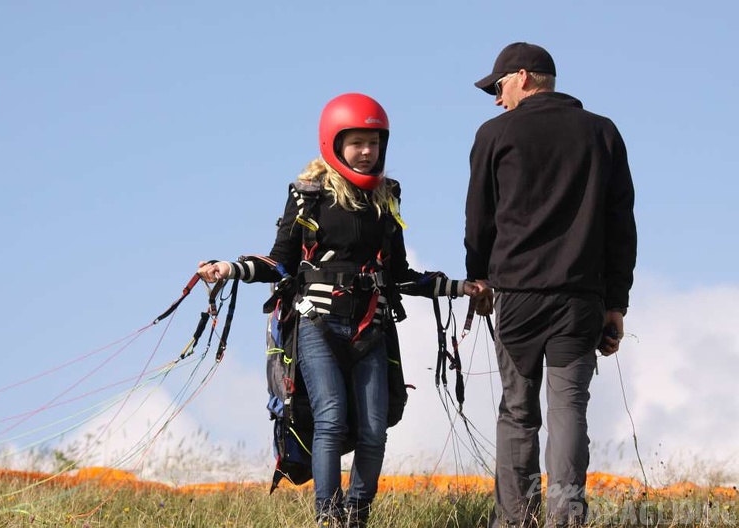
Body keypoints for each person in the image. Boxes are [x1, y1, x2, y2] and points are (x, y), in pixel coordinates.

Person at [198, 93, 479, 527]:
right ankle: (327, 518)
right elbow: (280, 263)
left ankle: (357, 517)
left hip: (372, 328)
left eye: (374, 143)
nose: (367, 153)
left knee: (373, 429)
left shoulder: (387, 199)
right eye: (357, 143)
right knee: (329, 418)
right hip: (317, 325)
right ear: (335, 143)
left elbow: (401, 273)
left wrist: (459, 287)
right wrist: (229, 268)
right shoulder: (307, 197)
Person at [464, 43, 637, 527]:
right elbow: (620, 224)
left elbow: (479, 219)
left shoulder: (495, 134)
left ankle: (517, 520)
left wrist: (479, 276)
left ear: (523, 76)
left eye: (498, 87)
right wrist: (616, 303)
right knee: (568, 411)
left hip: (517, 297)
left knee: (518, 411)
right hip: (581, 299)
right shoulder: (602, 133)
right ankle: (566, 518)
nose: (497, 99)